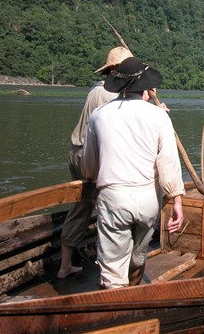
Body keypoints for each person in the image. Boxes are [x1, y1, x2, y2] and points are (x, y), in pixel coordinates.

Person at [82, 57, 185, 289]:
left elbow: (89, 165)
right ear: (145, 88)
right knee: (138, 254)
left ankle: (117, 304)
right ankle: (135, 288)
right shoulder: (160, 116)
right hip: (147, 198)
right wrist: (177, 199)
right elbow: (168, 162)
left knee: (112, 267)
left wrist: (92, 184)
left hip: (114, 197)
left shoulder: (99, 115)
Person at [57, 46, 133, 279]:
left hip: (78, 153)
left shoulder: (97, 90)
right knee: (110, 204)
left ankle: (65, 265)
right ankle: (109, 263)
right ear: (117, 71)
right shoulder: (108, 94)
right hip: (89, 156)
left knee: (83, 205)